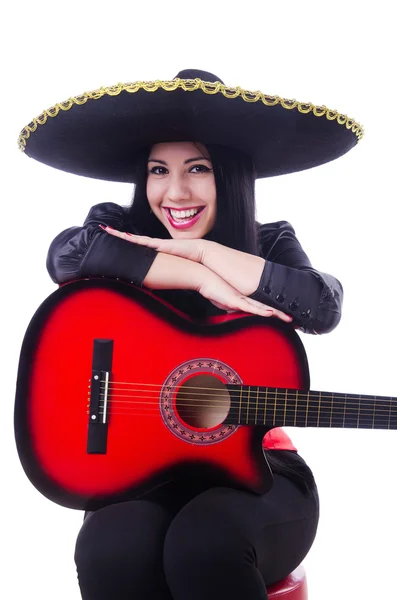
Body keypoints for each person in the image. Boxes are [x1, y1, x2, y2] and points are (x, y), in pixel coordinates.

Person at [19, 68, 362, 600]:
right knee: (110, 546)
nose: (175, 191)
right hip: (133, 468)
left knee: (204, 544)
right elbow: (67, 253)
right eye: (159, 169)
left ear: (231, 173)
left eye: (197, 168)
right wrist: (197, 276)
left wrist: (212, 254)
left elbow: (322, 305)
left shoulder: (269, 242)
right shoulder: (115, 227)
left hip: (259, 473)